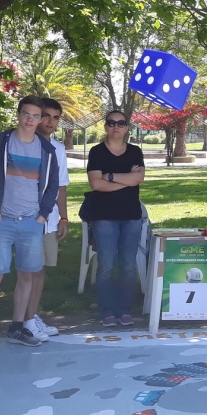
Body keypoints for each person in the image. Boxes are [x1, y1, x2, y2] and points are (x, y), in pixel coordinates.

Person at [0, 96, 60, 346]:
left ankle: (17, 327)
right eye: (26, 114)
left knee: (27, 276)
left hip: (31, 222)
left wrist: (42, 216)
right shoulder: (0, 142)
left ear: (41, 119)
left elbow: (52, 186)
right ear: (18, 114)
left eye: (36, 116)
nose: (30, 120)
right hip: (2, 220)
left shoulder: (47, 150)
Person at [84, 110, 146, 327]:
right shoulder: (97, 152)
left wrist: (110, 177)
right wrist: (127, 180)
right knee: (107, 266)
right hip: (104, 217)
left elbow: (139, 178)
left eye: (121, 123)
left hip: (131, 217)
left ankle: (124, 309)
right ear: (105, 126)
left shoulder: (135, 152)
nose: (116, 127)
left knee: (128, 265)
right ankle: (107, 310)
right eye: (111, 123)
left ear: (127, 127)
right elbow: (96, 184)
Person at [24, 97, 69, 339]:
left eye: (56, 118)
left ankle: (32, 316)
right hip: (26, 216)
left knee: (40, 270)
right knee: (29, 270)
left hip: (49, 219)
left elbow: (61, 185)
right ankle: (23, 320)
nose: (51, 122)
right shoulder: (24, 143)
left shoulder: (58, 149)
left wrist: (64, 217)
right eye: (46, 116)